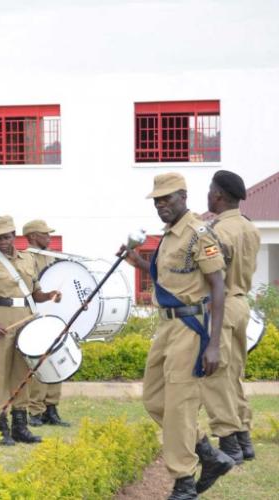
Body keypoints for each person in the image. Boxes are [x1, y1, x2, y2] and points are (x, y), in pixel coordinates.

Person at [122, 173, 233, 499]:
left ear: (183, 196)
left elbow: (217, 287)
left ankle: (184, 482)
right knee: (155, 400)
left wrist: (213, 344)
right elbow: (173, 279)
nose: (161, 205)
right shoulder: (170, 236)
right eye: (157, 200)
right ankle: (209, 455)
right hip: (167, 327)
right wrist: (140, 262)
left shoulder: (200, 234)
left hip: (191, 328)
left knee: (181, 406)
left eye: (167, 198)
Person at [0, 215, 61, 446]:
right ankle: (2, 428)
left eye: (6, 236)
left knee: (23, 374)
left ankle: (21, 426)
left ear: (14, 236)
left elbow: (35, 293)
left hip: (25, 321)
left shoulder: (28, 259)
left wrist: (50, 295)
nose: (2, 241)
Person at [201, 170, 261, 465]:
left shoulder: (217, 231)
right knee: (232, 374)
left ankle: (229, 442)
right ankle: (244, 438)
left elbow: (212, 276)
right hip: (241, 305)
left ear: (219, 195)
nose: (208, 195)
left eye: (210, 191)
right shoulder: (249, 227)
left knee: (214, 376)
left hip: (220, 307)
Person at [22, 219, 71, 428]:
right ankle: (35, 409)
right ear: (33, 236)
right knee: (39, 363)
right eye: (45, 234)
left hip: (54, 315)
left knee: (56, 357)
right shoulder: (25, 259)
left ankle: (51, 407)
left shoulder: (52, 257)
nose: (49, 238)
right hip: (35, 315)